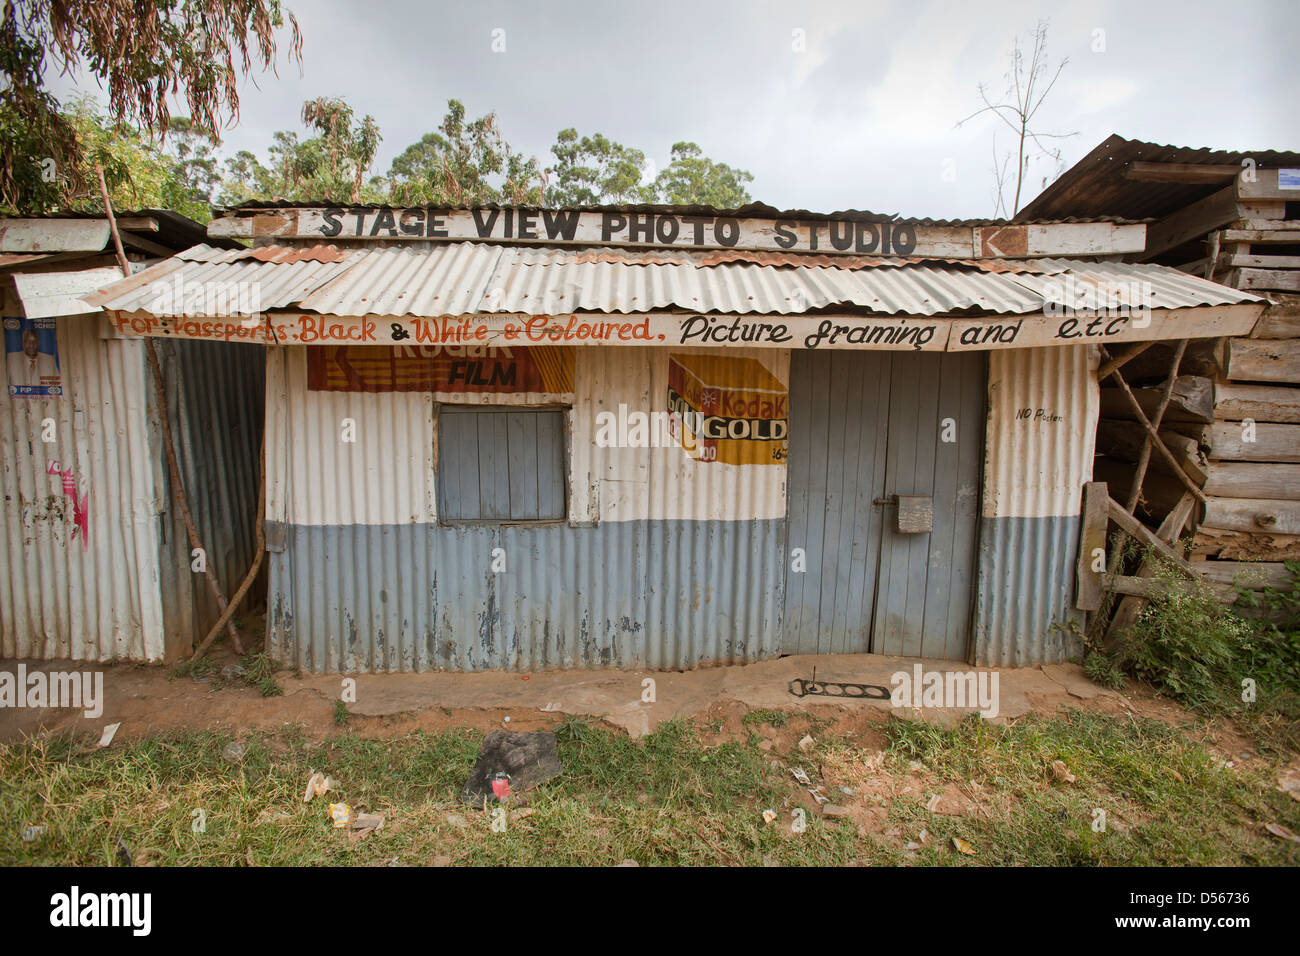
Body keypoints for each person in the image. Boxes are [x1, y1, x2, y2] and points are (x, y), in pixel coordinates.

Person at [6, 326, 59, 392]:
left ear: (38, 343)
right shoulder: (11, 359)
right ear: (23, 343)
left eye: (34, 342)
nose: (31, 345)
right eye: (28, 342)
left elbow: (57, 387)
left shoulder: (49, 360)